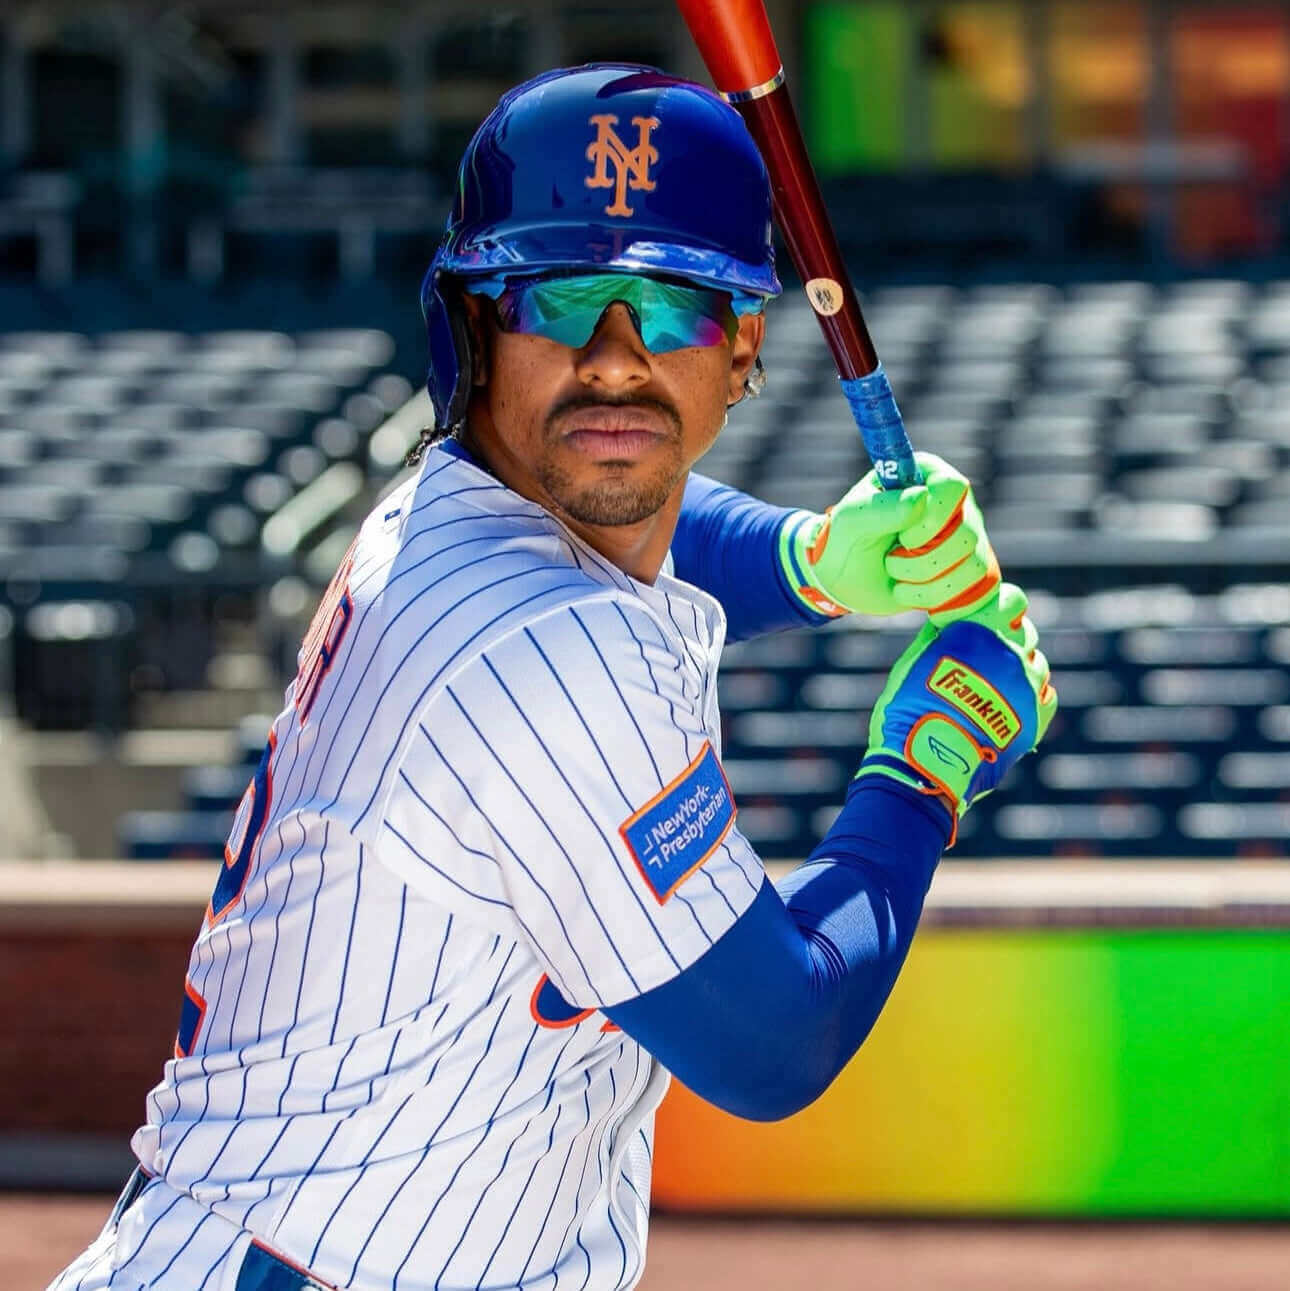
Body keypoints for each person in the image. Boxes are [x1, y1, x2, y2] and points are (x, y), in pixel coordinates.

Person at [51, 64, 1055, 1291]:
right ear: (479, 329)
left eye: (673, 308)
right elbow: (774, 1043)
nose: (616, 360)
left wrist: (813, 562)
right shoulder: (549, 659)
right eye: (563, 299)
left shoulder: (452, 511)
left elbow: (635, 515)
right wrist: (927, 765)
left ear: (742, 345)